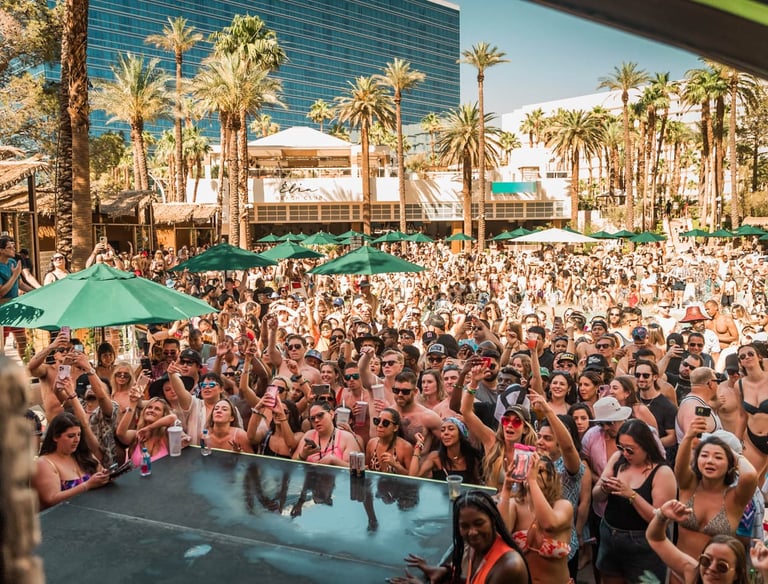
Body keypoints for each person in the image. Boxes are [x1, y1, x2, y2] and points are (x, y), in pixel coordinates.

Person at [592, 418, 677, 584]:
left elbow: (659, 520)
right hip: (610, 535)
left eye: (630, 450)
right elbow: (596, 496)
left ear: (646, 446)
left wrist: (631, 495)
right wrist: (604, 488)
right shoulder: (618, 459)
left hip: (643, 544)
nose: (625, 454)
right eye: (621, 447)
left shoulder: (662, 472)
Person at [390, 490, 529, 584]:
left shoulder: (510, 566)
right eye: (465, 526)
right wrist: (446, 573)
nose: (472, 532)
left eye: (479, 523)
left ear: (493, 520)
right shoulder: (475, 549)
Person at [675, 422, 756, 562]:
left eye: (718, 457)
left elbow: (750, 476)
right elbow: (680, 466)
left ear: (731, 464)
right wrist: (688, 436)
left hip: (714, 574)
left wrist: (729, 451)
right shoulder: (689, 485)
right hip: (679, 571)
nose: (710, 461)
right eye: (704, 455)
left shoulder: (735, 498)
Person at [499, 451, 573, 584]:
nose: (532, 474)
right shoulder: (516, 505)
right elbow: (500, 532)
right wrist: (507, 488)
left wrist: (532, 481)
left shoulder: (563, 506)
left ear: (552, 477)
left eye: (540, 471)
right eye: (530, 470)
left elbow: (549, 524)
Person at [647, 500, 750, 584]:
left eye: (722, 566)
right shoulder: (694, 574)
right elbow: (656, 539)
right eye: (706, 560)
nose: (712, 568)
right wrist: (662, 514)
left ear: (737, 573)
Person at [33, 412, 111, 510]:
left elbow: (100, 472)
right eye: (71, 436)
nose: (77, 439)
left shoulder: (84, 455)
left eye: (79, 435)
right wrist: (87, 485)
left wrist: (104, 477)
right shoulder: (44, 463)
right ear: (55, 437)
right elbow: (50, 499)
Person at [410, 417, 483, 485]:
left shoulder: (471, 458)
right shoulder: (435, 457)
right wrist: (418, 447)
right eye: (442, 430)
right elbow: (413, 478)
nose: (446, 433)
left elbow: (477, 484)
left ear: (461, 434)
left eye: (451, 429)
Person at [292, 400, 358, 466]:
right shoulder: (309, 435)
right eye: (312, 418)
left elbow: (356, 468)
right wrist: (303, 455)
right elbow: (292, 465)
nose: (316, 420)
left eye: (320, 415)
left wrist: (334, 460)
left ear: (331, 414)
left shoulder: (347, 437)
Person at [737, 343, 768, 480]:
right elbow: (742, 415)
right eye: (743, 356)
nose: (747, 357)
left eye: (751, 354)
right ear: (740, 362)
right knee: (750, 480)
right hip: (753, 439)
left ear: (759, 357)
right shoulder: (739, 385)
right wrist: (737, 440)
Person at [365, 407, 413, 475]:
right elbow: (366, 467)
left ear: (395, 428)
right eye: (377, 421)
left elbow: (412, 477)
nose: (380, 425)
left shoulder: (405, 448)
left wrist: (396, 465)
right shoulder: (371, 443)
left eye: (385, 423)